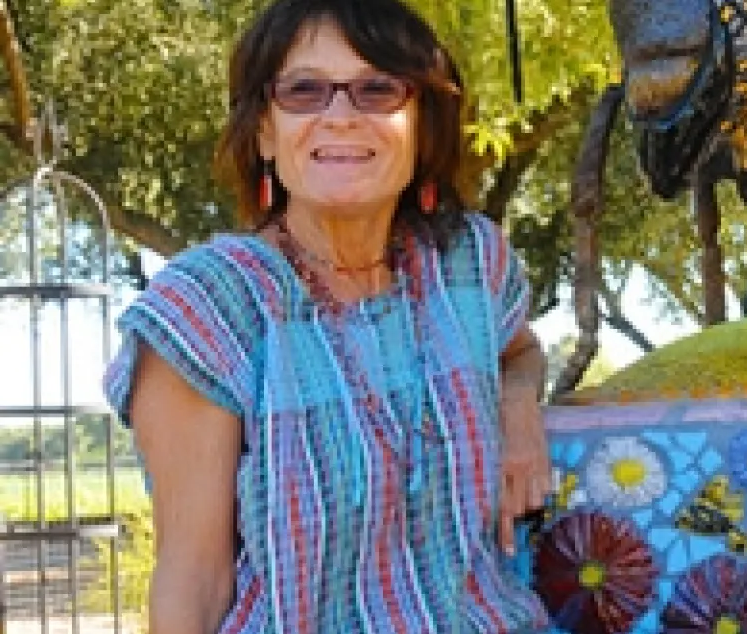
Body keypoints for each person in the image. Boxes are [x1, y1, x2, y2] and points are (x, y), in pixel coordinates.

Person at [103, 0, 553, 631]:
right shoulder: (209, 311)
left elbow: (522, 355)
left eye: (377, 90)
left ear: (422, 124)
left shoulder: (470, 263)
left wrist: (518, 409)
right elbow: (192, 581)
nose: (340, 117)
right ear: (264, 131)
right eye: (305, 91)